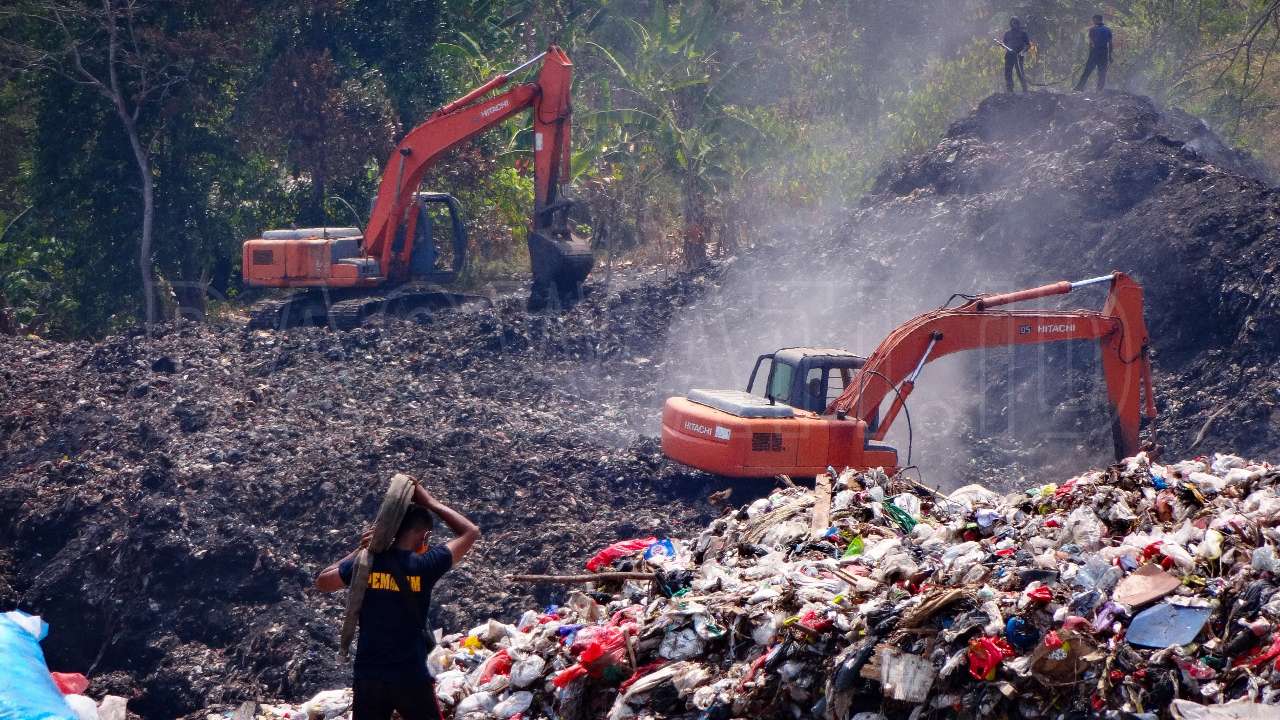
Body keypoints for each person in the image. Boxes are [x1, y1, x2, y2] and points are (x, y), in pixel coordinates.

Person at [317, 484, 481, 720]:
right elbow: (470, 532)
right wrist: (430, 502)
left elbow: (323, 581)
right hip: (410, 676)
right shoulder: (426, 565)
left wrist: (360, 550)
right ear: (425, 537)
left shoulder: (366, 564)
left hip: (369, 677)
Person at [1075, 13, 1113, 91]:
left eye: (1093, 19)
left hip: (1094, 53)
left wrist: (1091, 54)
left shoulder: (1093, 29)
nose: (1092, 21)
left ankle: (1080, 87)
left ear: (1096, 20)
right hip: (1104, 53)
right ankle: (1099, 90)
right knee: (1102, 73)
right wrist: (1110, 56)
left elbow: (1091, 43)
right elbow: (1110, 44)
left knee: (1087, 71)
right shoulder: (1108, 30)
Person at [1003, 17, 1031, 93]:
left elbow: (1028, 45)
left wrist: (1022, 52)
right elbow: (1004, 44)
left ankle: (1025, 90)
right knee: (1008, 73)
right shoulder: (1007, 34)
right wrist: (1006, 47)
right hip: (1009, 56)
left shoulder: (1023, 33)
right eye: (1012, 23)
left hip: (1019, 56)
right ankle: (1010, 90)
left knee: (1020, 73)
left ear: (1018, 23)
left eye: (1015, 23)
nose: (1013, 25)